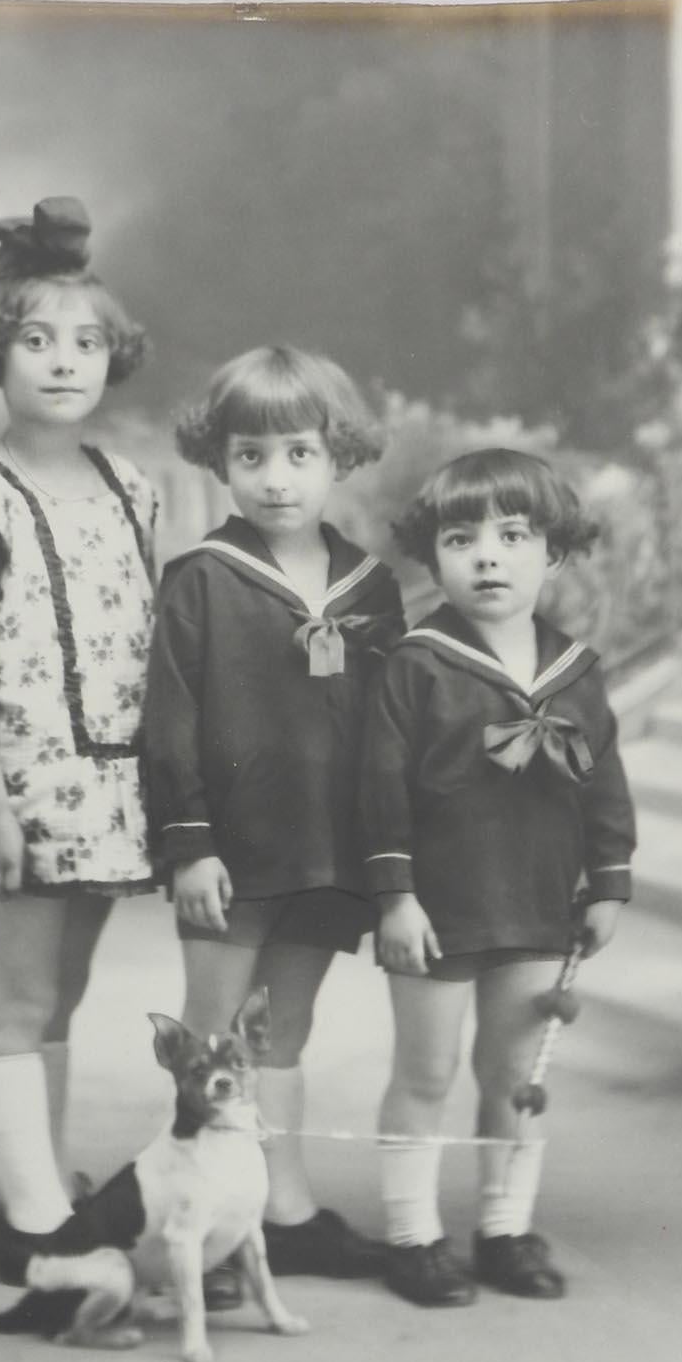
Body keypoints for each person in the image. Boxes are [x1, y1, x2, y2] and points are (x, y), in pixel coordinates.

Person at [144, 345, 405, 1297]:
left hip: (326, 853)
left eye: (298, 454)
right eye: (250, 456)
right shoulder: (201, 580)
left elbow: (389, 730)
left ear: (338, 455)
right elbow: (169, 729)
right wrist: (191, 844)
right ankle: (199, 1229)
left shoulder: (371, 588)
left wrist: (389, 858)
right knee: (211, 1038)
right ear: (221, 462)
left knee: (283, 1034)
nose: (276, 477)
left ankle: (282, 1214)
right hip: (232, 856)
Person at [0, 197, 156, 1284]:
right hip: (18, 787)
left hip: (108, 788)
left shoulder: (130, 489)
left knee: (61, 998)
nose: (63, 363)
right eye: (35, 341)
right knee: (15, 998)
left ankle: (45, 1182)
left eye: (86, 343)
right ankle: (27, 1224)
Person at [361, 448, 635, 1308]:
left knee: (514, 1073)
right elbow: (378, 794)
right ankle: (412, 1238)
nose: (487, 556)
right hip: (438, 910)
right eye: (461, 538)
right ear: (432, 556)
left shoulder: (578, 672)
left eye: (513, 536)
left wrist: (609, 882)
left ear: (553, 554)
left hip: (541, 903)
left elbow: (605, 786)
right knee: (426, 1071)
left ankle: (505, 1229)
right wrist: (395, 899)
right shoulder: (416, 664)